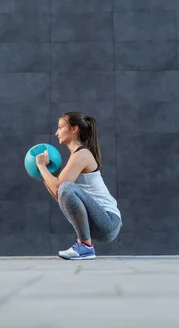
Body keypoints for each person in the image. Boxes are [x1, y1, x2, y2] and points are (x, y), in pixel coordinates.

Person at [35, 111, 122, 260]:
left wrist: (42, 167)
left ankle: (85, 247)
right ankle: (84, 245)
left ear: (74, 129)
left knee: (66, 187)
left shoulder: (82, 154)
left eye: (60, 127)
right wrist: (44, 173)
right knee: (65, 189)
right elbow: (60, 197)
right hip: (97, 224)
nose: (56, 133)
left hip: (109, 221)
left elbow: (60, 188)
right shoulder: (75, 157)